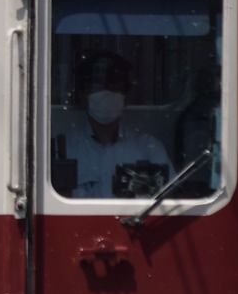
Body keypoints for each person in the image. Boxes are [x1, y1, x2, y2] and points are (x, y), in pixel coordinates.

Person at [57, 52, 171, 199]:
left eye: (114, 87)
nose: (106, 94)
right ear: (83, 95)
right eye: (98, 87)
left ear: (125, 97)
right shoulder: (63, 148)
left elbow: (168, 200)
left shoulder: (149, 148)